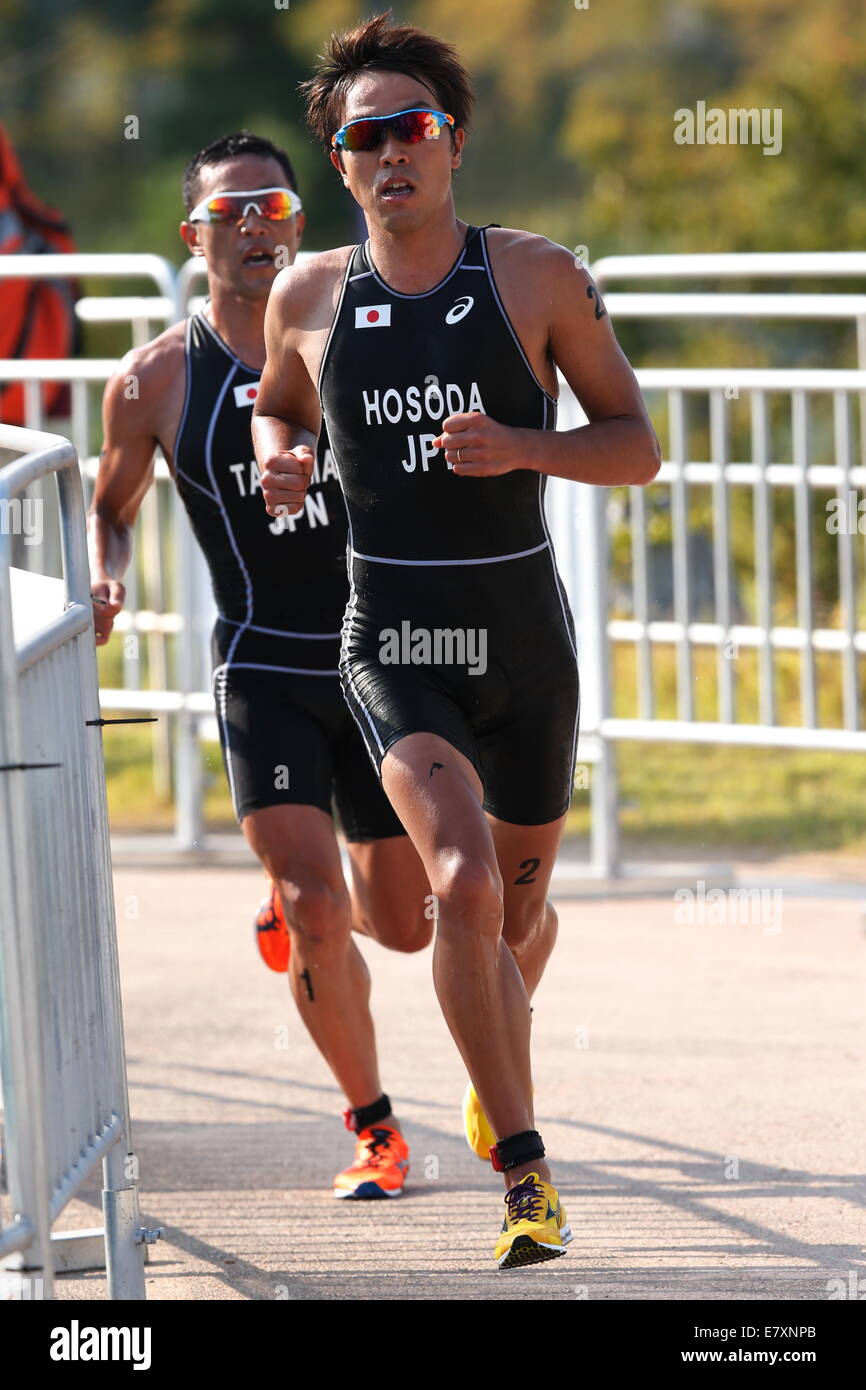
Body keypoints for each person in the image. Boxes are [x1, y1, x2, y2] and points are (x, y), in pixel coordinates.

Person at [253, 15, 661, 1268]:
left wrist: (525, 444)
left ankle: (496, 1073)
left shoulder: (533, 276)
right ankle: (527, 1179)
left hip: (522, 642)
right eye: (362, 135)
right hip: (392, 635)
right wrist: (285, 458)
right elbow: (276, 402)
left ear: (452, 144)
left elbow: (635, 446)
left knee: (517, 920)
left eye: (409, 129)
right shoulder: (309, 292)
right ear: (340, 161)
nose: (388, 154)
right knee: (460, 892)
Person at [87, 130, 432, 1201]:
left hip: (376, 661)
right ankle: (374, 1127)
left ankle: (302, 913)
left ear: (301, 222)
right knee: (316, 903)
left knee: (406, 924)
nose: (253, 228)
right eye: (229, 212)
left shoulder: (359, 336)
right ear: (190, 237)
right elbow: (108, 512)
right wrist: (106, 575)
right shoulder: (151, 381)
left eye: (273, 209)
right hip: (261, 669)